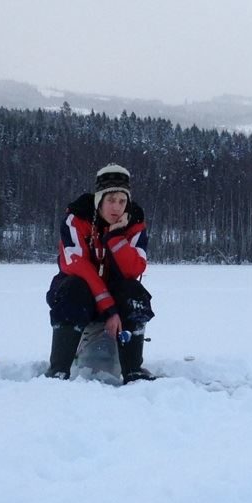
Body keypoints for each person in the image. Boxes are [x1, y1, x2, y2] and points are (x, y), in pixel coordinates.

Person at [45, 163, 157, 383]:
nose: (117, 208)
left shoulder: (134, 224)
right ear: (99, 200)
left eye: (122, 201)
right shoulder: (76, 218)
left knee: (134, 292)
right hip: (82, 294)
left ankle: (133, 369)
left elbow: (135, 269)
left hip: (117, 295)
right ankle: (58, 370)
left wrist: (115, 238)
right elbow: (76, 265)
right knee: (73, 288)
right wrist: (109, 307)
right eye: (111, 200)